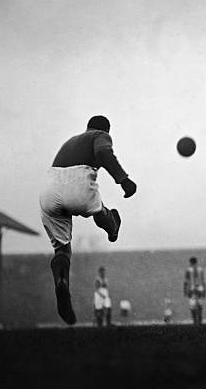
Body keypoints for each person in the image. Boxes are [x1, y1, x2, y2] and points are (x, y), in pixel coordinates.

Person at [39, 115, 137, 325]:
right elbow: (102, 152)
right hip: (77, 182)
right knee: (98, 210)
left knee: (62, 250)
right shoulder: (100, 135)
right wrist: (124, 179)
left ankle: (62, 281)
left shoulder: (71, 141)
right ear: (108, 131)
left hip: (48, 189)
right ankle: (112, 226)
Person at [184, 257, 206, 325]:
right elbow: (203, 280)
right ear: (196, 262)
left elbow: (186, 281)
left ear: (190, 262)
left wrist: (185, 291)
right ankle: (199, 320)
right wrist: (205, 291)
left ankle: (194, 320)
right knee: (200, 305)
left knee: (192, 306)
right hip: (200, 289)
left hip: (192, 289)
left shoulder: (188, 270)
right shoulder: (201, 269)